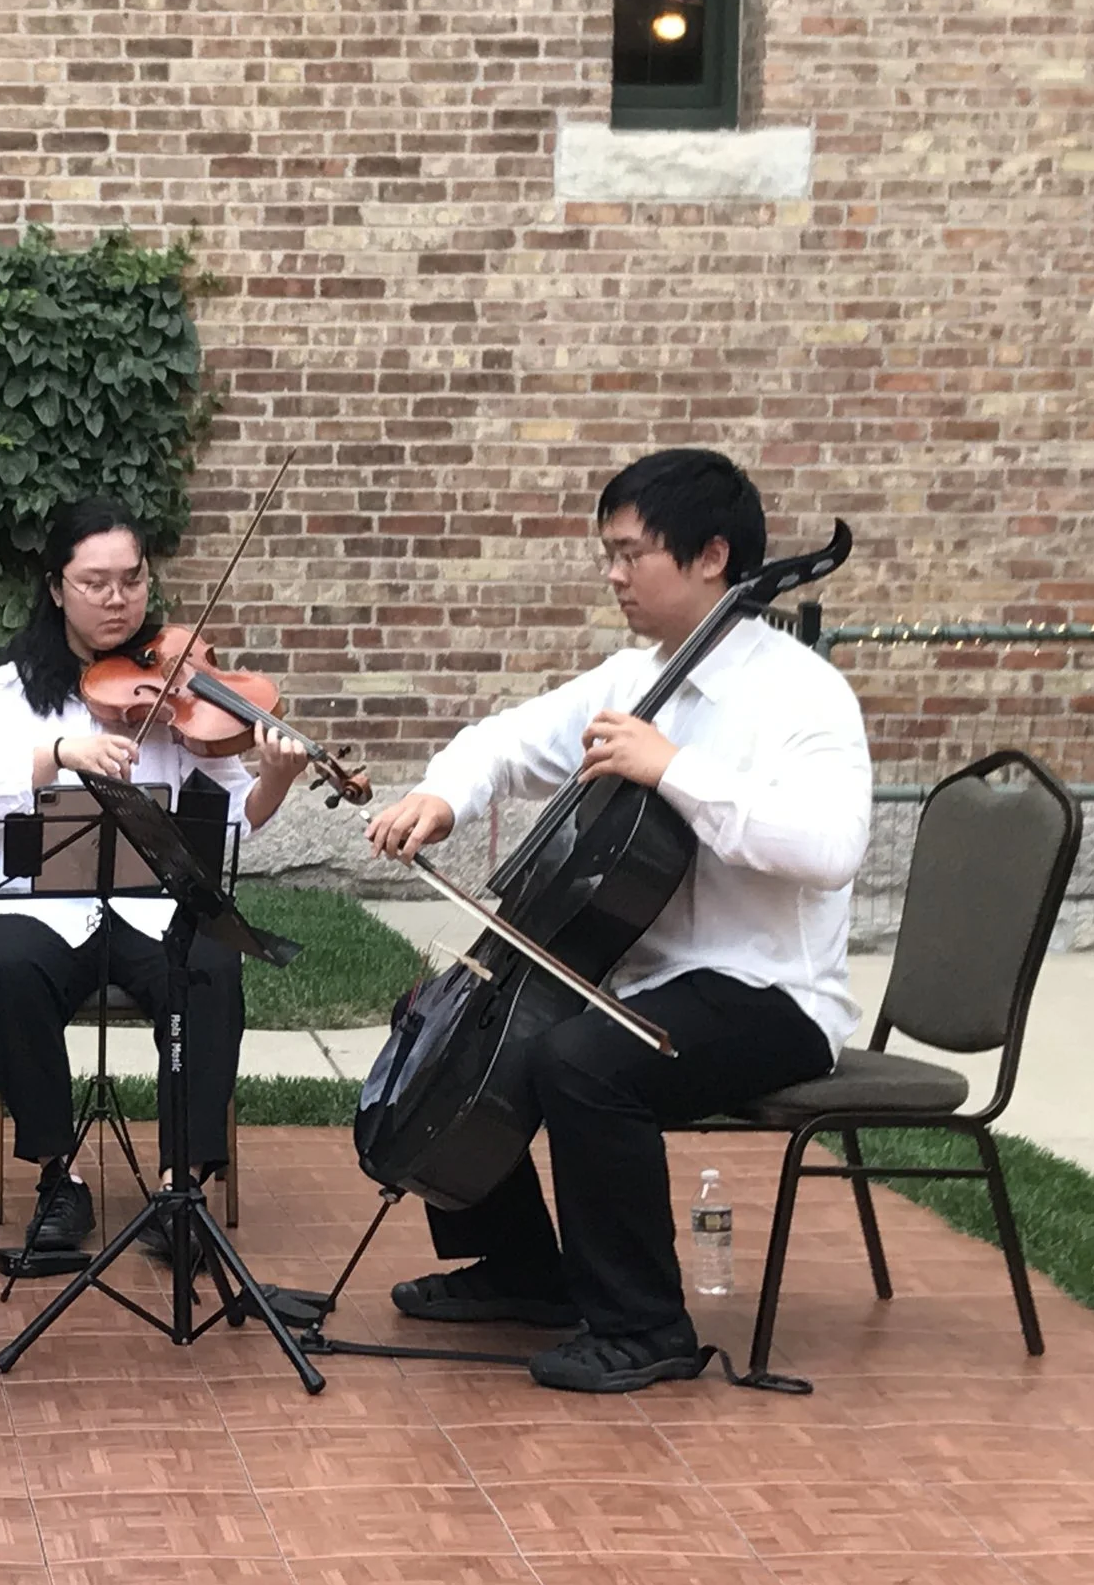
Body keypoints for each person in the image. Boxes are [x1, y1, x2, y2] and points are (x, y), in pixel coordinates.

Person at [365, 448, 870, 1394]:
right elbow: (506, 740)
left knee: (583, 1065)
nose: (613, 573)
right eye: (610, 552)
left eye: (631, 552)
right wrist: (443, 796)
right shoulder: (638, 676)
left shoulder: (802, 694)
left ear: (712, 555)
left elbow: (832, 846)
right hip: (644, 981)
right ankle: (524, 1269)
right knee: (461, 1025)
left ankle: (646, 1328)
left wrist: (672, 767)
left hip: (769, 992)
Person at [0, 497, 311, 1253]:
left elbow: (238, 816)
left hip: (154, 906)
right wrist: (58, 757)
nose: (117, 599)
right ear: (56, 589)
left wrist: (274, 776)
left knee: (212, 964)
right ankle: (58, 1172)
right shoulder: (7, 693)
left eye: (132, 580)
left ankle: (185, 1190)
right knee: (6, 966)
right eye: (95, 582)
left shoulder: (176, 685)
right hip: (38, 903)